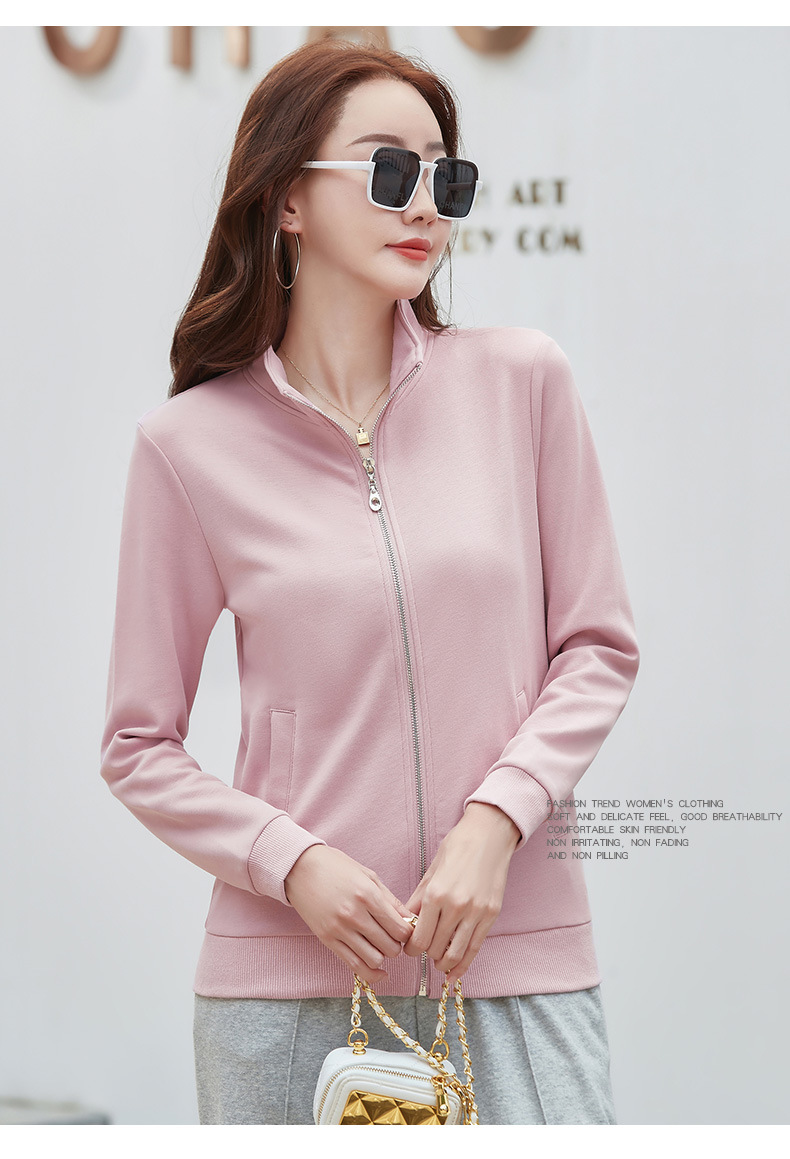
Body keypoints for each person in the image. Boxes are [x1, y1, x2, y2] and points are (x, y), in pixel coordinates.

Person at [100, 38, 639, 1126]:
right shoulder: (187, 446)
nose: (425, 203)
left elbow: (595, 648)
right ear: (288, 199)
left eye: (447, 176)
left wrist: (494, 821)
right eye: (390, 168)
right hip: (288, 991)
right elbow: (137, 744)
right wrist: (290, 860)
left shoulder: (521, 382)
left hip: (512, 963)